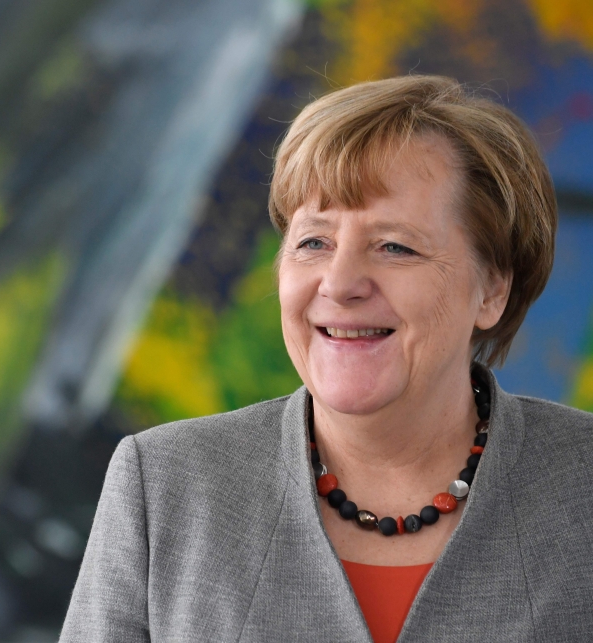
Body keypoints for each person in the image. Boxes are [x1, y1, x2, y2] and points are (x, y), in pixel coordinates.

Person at [59, 75, 593, 643]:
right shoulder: (165, 484)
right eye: (314, 241)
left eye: (395, 246)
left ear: (492, 291)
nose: (339, 284)